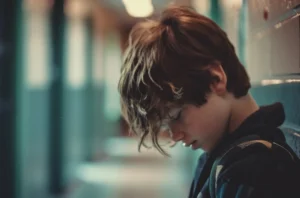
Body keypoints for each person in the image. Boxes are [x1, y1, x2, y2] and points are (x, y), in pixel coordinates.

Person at [118, 6, 300, 198]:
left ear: (215, 80)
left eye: (177, 116)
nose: (175, 135)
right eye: (166, 126)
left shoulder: (255, 173)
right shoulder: (220, 158)